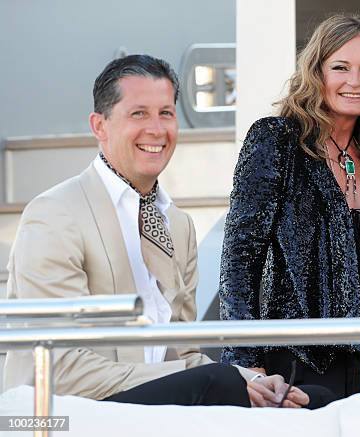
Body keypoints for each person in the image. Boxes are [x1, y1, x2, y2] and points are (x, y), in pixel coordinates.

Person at [3, 54, 308, 409]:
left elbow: (183, 352)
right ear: (99, 126)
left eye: (165, 113)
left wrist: (253, 380)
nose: (157, 129)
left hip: (154, 409)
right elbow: (62, 368)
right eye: (138, 113)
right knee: (222, 384)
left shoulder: (178, 225)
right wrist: (205, 380)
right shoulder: (55, 213)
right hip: (68, 412)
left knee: (306, 398)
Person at [219, 14, 360, 402]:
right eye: (340, 67)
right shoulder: (275, 140)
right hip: (302, 362)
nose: (355, 81)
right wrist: (247, 362)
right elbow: (240, 258)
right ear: (316, 72)